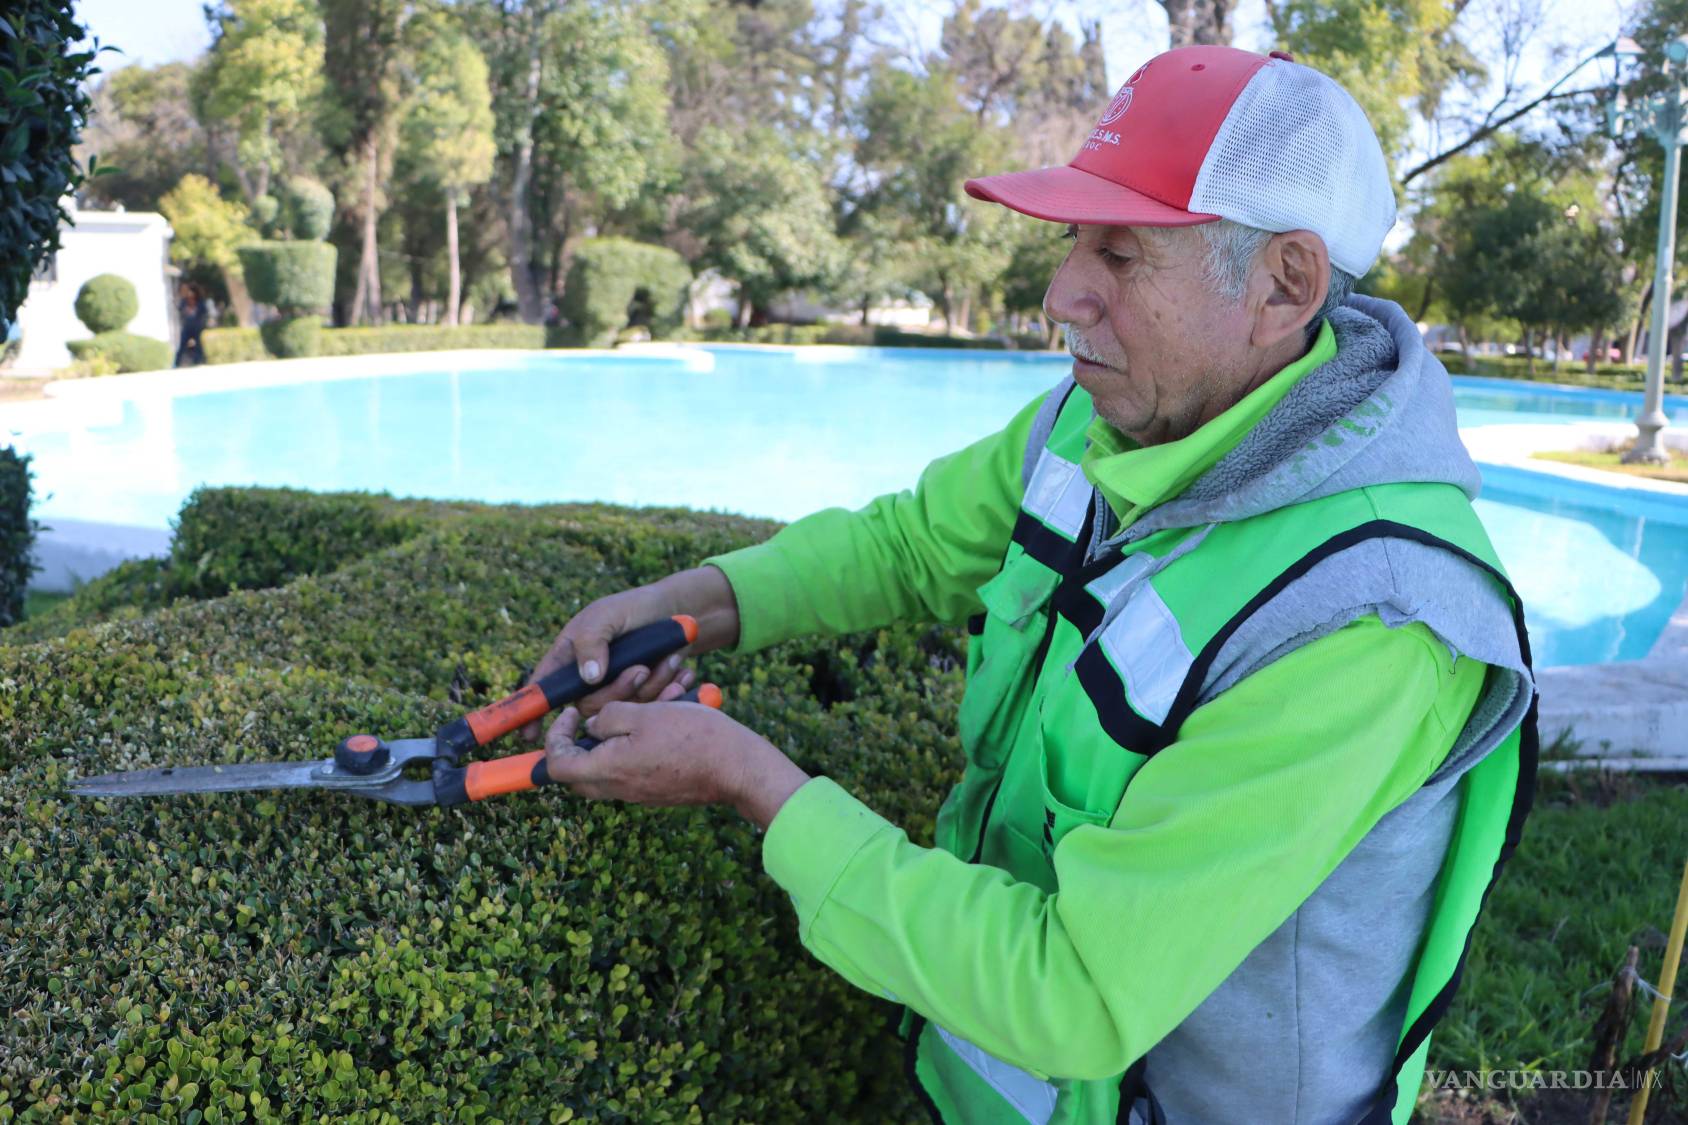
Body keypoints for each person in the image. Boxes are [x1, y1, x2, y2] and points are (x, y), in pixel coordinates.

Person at [521, 44, 1538, 1124]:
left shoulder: (1365, 621)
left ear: (1283, 286)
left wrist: (749, 783)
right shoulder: (1102, 418)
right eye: (1069, 243)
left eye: (1121, 253)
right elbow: (908, 545)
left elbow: (1075, 995)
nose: (1061, 295)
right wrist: (691, 604)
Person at [174, 281, 209, 367]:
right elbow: (180, 309)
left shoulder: (200, 302)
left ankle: (198, 361)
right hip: (187, 327)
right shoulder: (184, 301)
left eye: (191, 291)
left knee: (199, 346)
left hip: (197, 327)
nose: (190, 294)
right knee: (182, 345)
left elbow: (204, 312)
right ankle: (176, 363)